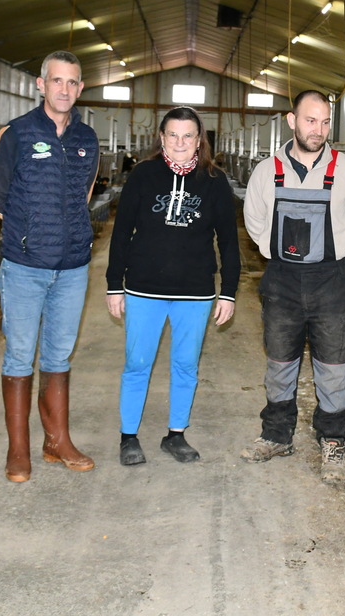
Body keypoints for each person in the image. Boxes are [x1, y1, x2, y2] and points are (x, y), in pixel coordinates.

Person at [240, 89, 345, 482]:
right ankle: (276, 435)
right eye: (310, 120)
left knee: (333, 365)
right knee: (279, 362)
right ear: (291, 121)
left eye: (325, 122)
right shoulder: (267, 169)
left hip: (329, 280)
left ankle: (333, 440)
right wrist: (269, 248)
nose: (319, 130)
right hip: (282, 280)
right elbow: (254, 217)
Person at [0, 50, 98, 483]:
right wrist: (29, 234)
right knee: (18, 355)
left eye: (72, 83)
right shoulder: (15, 133)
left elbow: (84, 194)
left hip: (72, 266)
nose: (64, 89)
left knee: (58, 354)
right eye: (57, 81)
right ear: (41, 83)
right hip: (26, 266)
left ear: (80, 88)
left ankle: (58, 440)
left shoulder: (87, 138)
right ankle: (18, 449)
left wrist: (72, 235)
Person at [105, 107, 240, 465]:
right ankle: (128, 436)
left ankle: (176, 434)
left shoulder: (214, 181)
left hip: (195, 291)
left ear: (199, 140)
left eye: (188, 135)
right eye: (173, 135)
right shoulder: (143, 175)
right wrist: (113, 284)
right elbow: (121, 233)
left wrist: (228, 290)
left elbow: (228, 240)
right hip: (143, 288)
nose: (181, 142)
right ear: (162, 138)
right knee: (137, 363)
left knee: (185, 365)